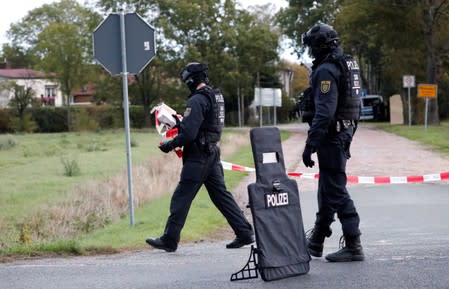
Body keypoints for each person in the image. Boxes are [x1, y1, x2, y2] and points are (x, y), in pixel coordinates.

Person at [146, 62, 254, 252]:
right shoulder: (215, 96)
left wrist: (169, 145)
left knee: (181, 197)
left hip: (198, 156)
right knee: (221, 196)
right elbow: (202, 124)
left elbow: (189, 134)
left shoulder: (196, 100)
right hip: (212, 152)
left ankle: (169, 240)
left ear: (192, 80)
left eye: (186, 80)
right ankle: (244, 232)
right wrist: (181, 123)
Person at [300, 23, 365, 262]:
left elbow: (325, 112)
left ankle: (353, 243)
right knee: (326, 186)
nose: (310, 52)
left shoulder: (326, 70)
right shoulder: (347, 64)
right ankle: (316, 240)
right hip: (342, 132)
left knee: (335, 188)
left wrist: (310, 144)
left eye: (311, 47)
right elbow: (353, 107)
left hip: (332, 135)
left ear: (320, 45)